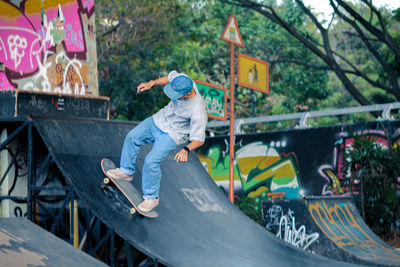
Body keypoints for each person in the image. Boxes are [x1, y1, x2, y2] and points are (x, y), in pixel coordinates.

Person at [107, 70, 208, 213]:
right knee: (132, 137)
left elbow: (199, 139)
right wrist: (152, 83)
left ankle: (151, 198)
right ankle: (126, 171)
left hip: (173, 134)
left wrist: (186, 150)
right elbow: (169, 78)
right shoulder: (183, 79)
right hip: (159, 120)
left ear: (186, 94)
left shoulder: (197, 111)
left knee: (151, 161)